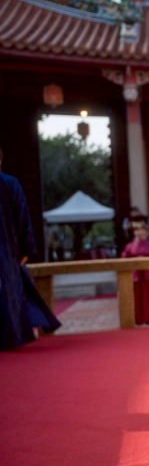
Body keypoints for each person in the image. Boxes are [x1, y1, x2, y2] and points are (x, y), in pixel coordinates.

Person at [0, 147, 61, 349]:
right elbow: (23, 216)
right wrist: (25, 249)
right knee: (9, 293)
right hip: (7, 250)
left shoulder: (8, 183)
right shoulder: (10, 183)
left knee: (9, 293)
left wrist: (24, 250)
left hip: (6, 249)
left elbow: (22, 216)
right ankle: (11, 337)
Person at [121, 217, 149, 326]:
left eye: (142, 229)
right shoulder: (129, 246)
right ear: (134, 232)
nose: (139, 231)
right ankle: (138, 320)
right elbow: (124, 259)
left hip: (148, 275)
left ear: (145, 231)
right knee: (136, 299)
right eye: (137, 230)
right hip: (136, 276)